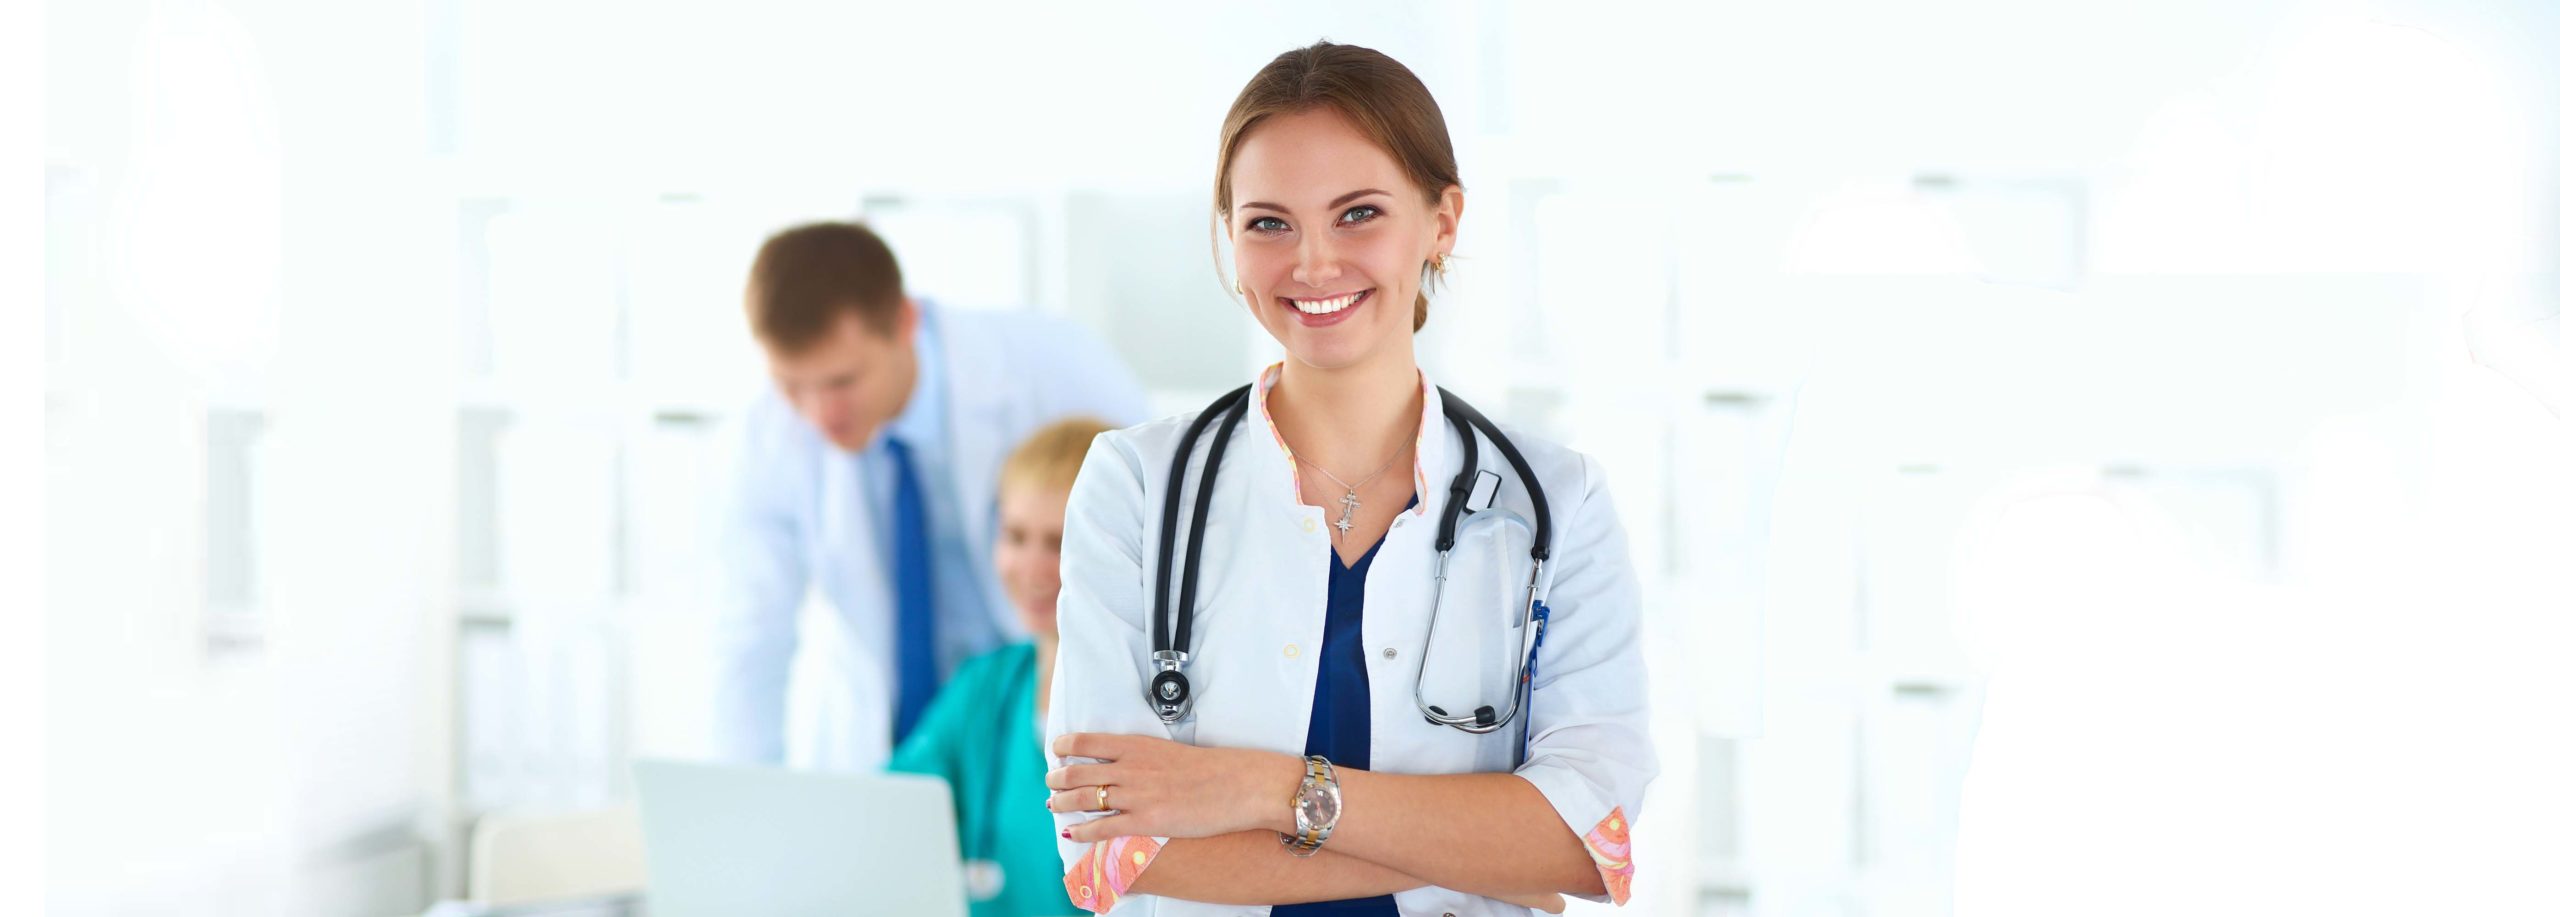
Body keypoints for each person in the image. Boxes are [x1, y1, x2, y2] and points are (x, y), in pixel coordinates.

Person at [1041, 42, 1655, 916]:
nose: (1314, 263)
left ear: (1444, 220)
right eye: (1268, 222)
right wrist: (1487, 850)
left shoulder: (1557, 502)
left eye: (1359, 213)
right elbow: (1112, 856)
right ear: (1229, 235)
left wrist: (1260, 789)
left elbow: (1590, 841)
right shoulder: (1135, 489)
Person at [715, 221, 1147, 771]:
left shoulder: (1057, 369)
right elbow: (752, 630)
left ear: (904, 321)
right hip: (895, 739)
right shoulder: (771, 433)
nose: (819, 414)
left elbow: (1160, 551)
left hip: (1047, 717)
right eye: (792, 385)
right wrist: (746, 798)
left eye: (842, 382)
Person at [888, 417, 1113, 917]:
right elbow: (883, 813)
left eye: (1058, 542)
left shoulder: (1161, 707)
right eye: (1015, 536)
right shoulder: (986, 688)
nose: (1031, 568)